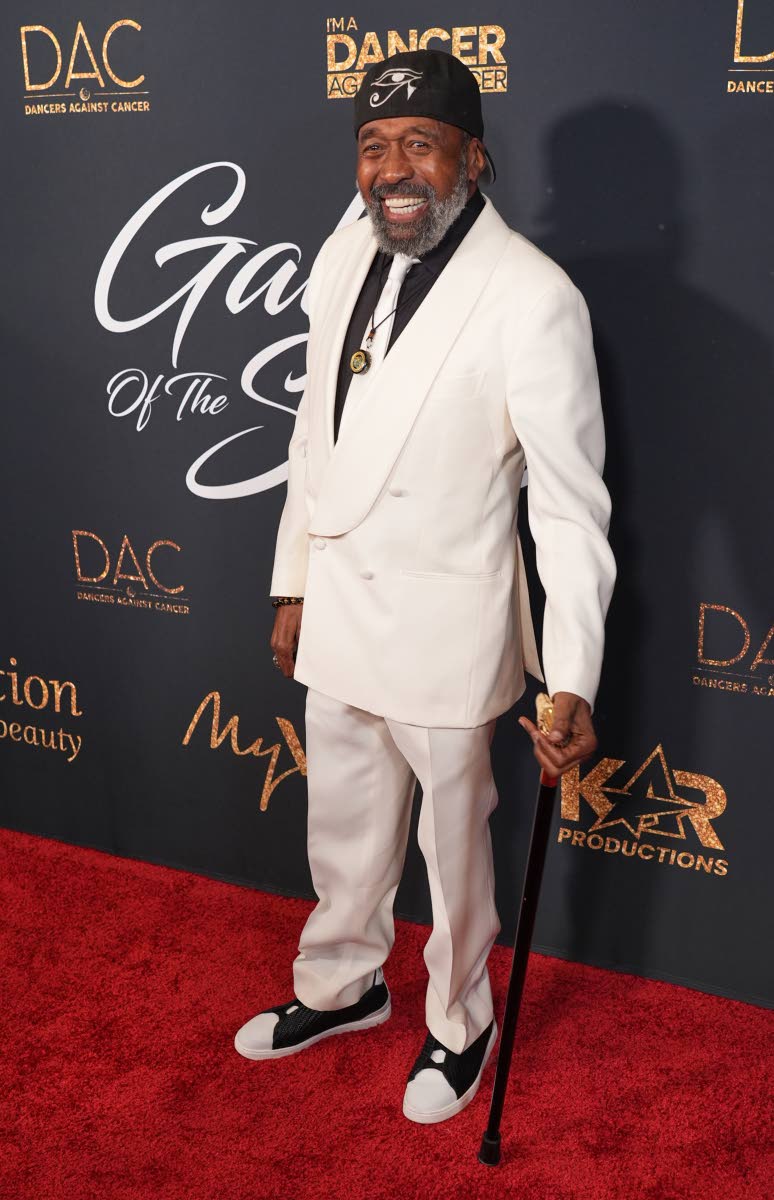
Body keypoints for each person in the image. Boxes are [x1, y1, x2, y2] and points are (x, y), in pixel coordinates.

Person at [234, 49, 616, 1125]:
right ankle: (341, 986)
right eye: (373, 146)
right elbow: (317, 432)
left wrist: (572, 672)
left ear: (473, 158)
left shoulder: (533, 298)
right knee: (343, 824)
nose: (393, 169)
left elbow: (570, 509)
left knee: (454, 853)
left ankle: (461, 1023)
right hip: (344, 606)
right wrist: (295, 579)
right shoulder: (345, 246)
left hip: (449, 627)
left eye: (420, 145)